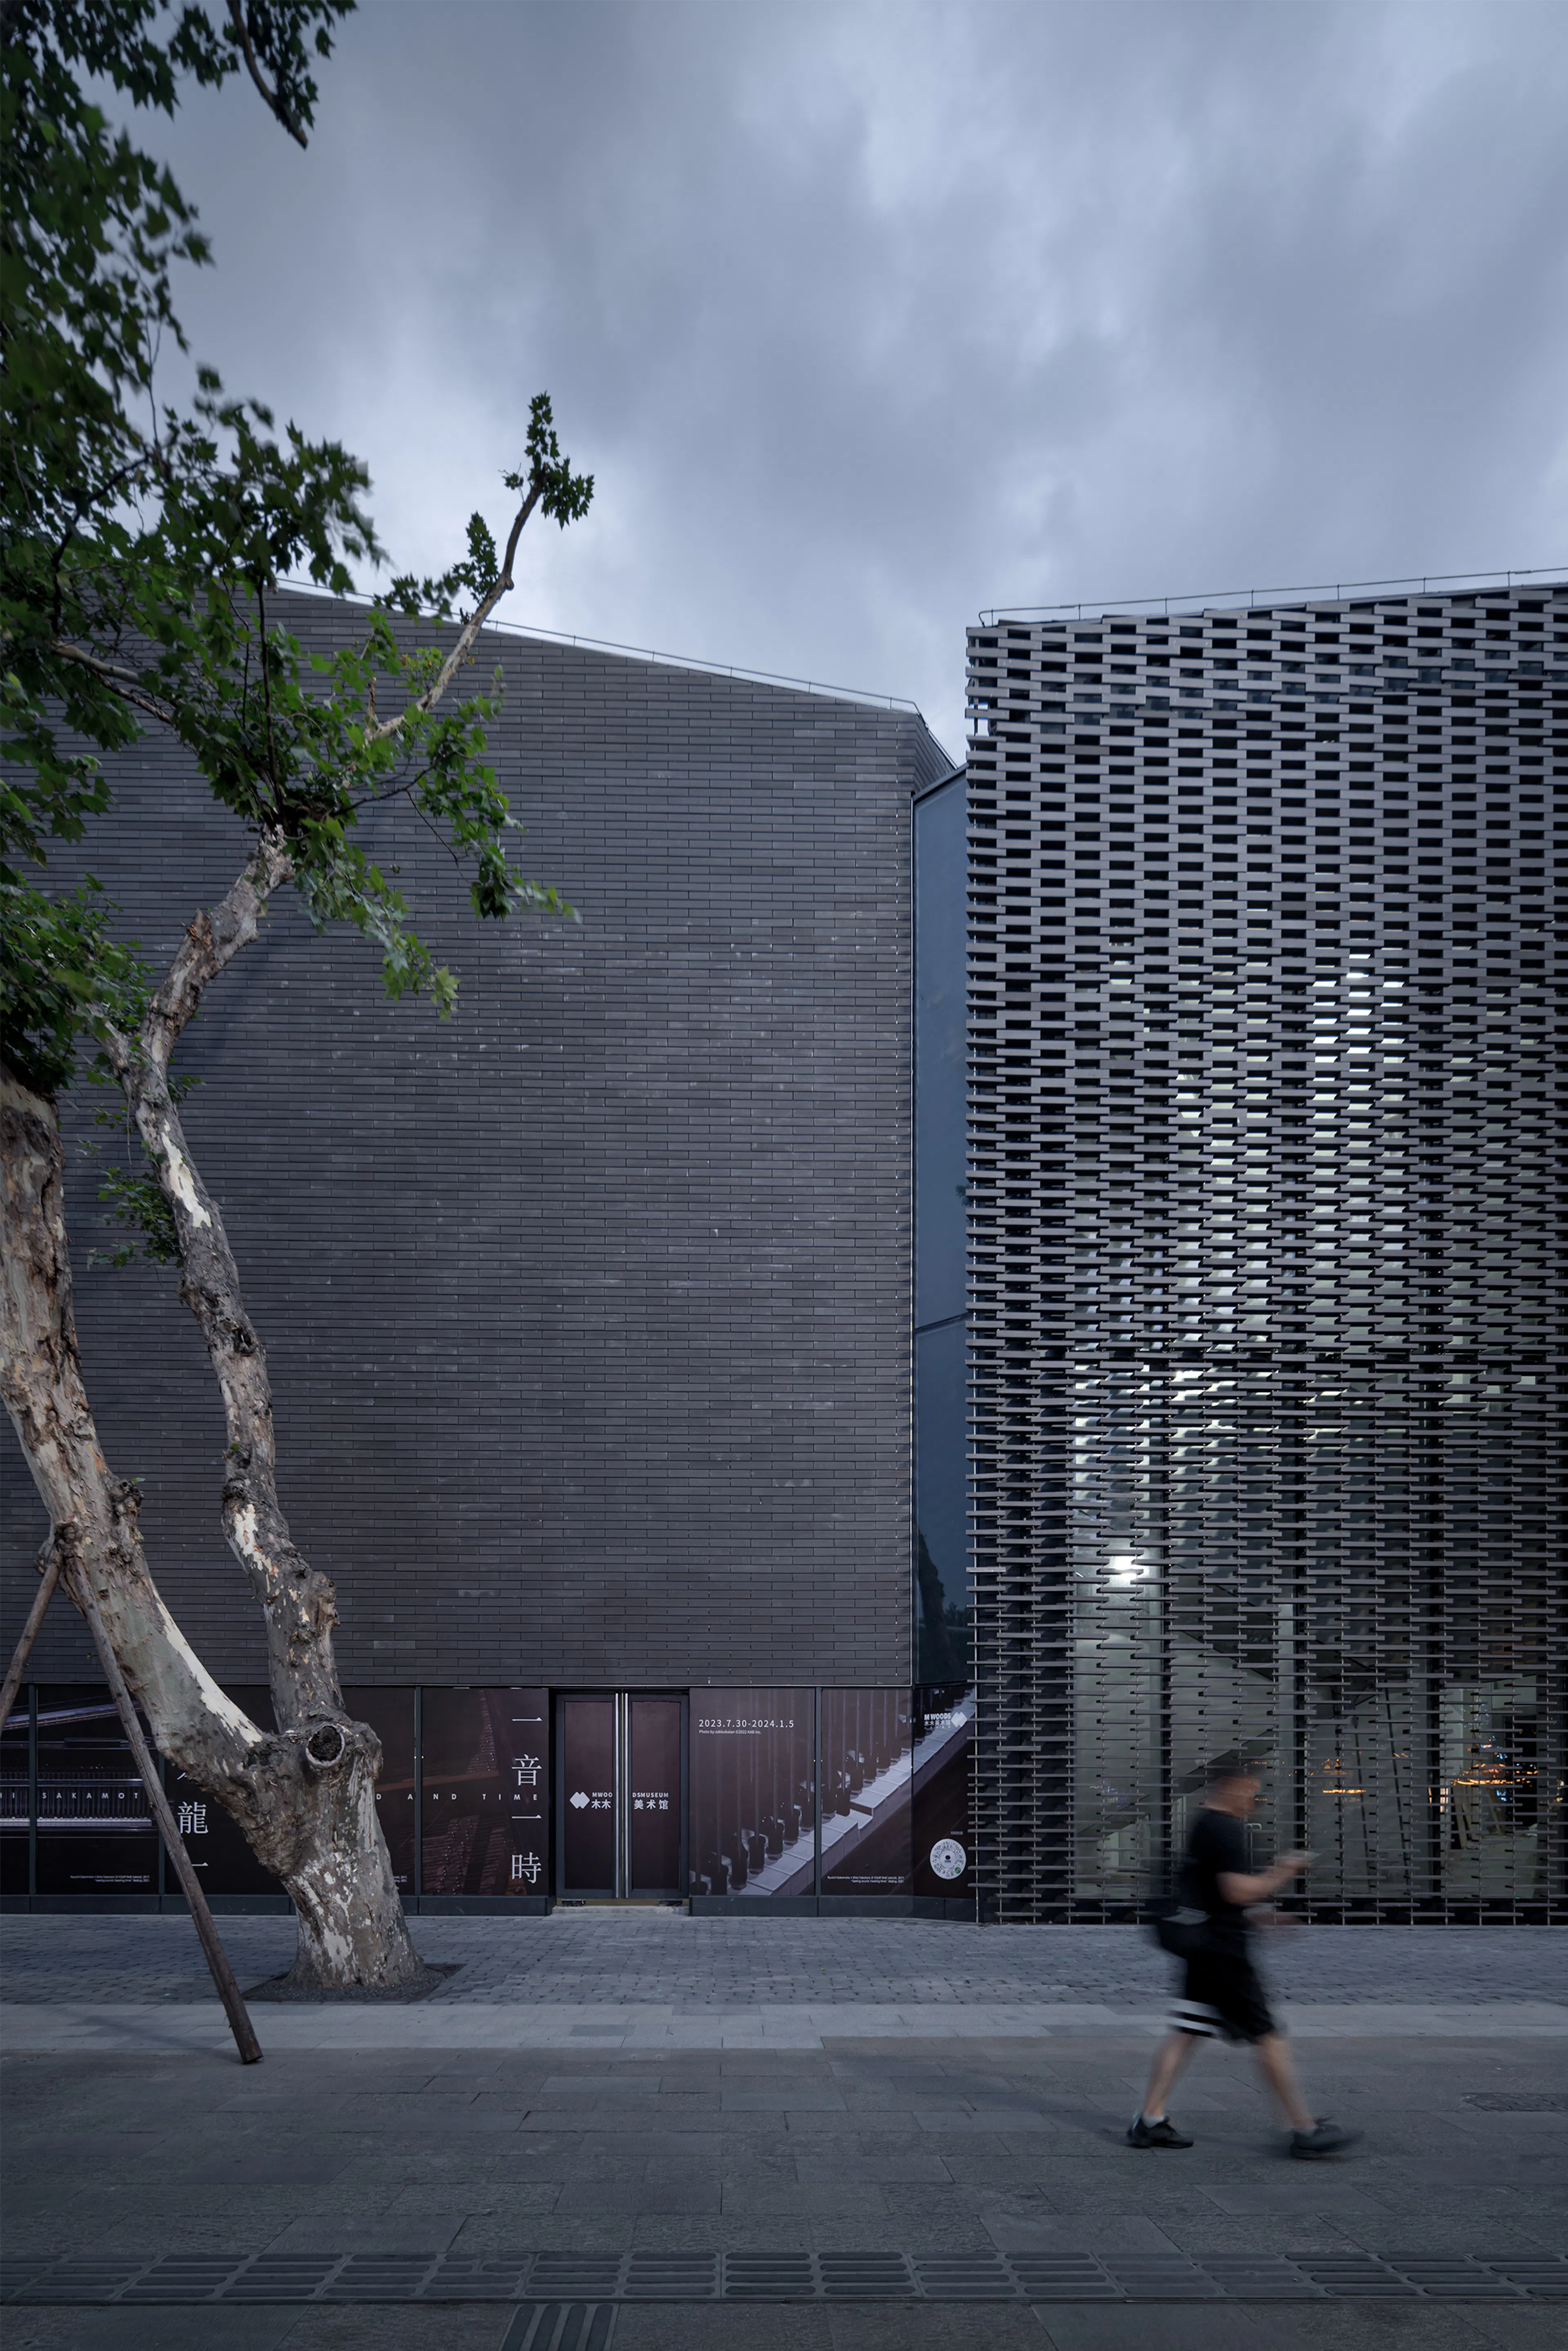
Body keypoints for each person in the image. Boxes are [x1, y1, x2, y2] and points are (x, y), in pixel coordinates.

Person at [1128, 1754, 1360, 2159]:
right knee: (1267, 2036)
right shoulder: (1226, 1829)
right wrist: (1283, 1871)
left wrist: (1264, 1917)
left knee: (1187, 2030)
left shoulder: (1203, 1823)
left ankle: (1149, 2121)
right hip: (1225, 1955)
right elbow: (1235, 1891)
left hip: (1205, 1948)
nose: (1255, 1798)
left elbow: (1214, 1895)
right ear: (1232, 1786)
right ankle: (1303, 2130)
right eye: (1251, 1790)